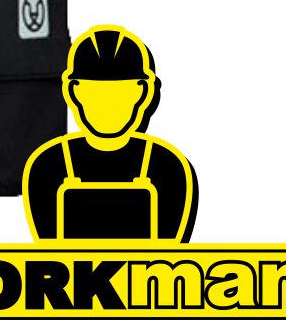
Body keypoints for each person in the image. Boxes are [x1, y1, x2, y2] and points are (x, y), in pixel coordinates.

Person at [23, 26, 198, 242]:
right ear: (73, 91)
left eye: (121, 92)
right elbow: (51, 252)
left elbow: (166, 254)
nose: (108, 104)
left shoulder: (167, 168)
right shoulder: (48, 167)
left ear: (143, 92)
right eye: (95, 93)